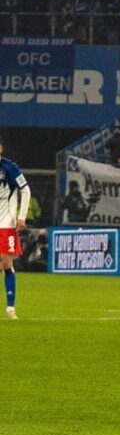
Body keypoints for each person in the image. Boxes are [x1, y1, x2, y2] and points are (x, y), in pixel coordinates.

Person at [0, 135, 31, 319]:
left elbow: (25, 190)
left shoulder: (10, 168)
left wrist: (21, 218)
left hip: (6, 222)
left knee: (6, 261)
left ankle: (10, 309)